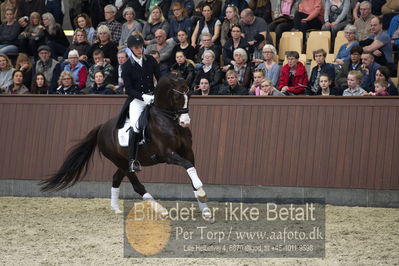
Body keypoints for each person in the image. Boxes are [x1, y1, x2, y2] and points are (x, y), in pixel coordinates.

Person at [116, 34, 160, 172]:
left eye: (141, 46)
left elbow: (160, 78)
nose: (140, 49)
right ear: (130, 49)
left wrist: (158, 93)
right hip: (137, 100)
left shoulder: (151, 60)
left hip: (153, 97)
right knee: (136, 126)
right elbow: (128, 89)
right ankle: (132, 160)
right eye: (136, 47)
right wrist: (143, 97)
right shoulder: (126, 67)